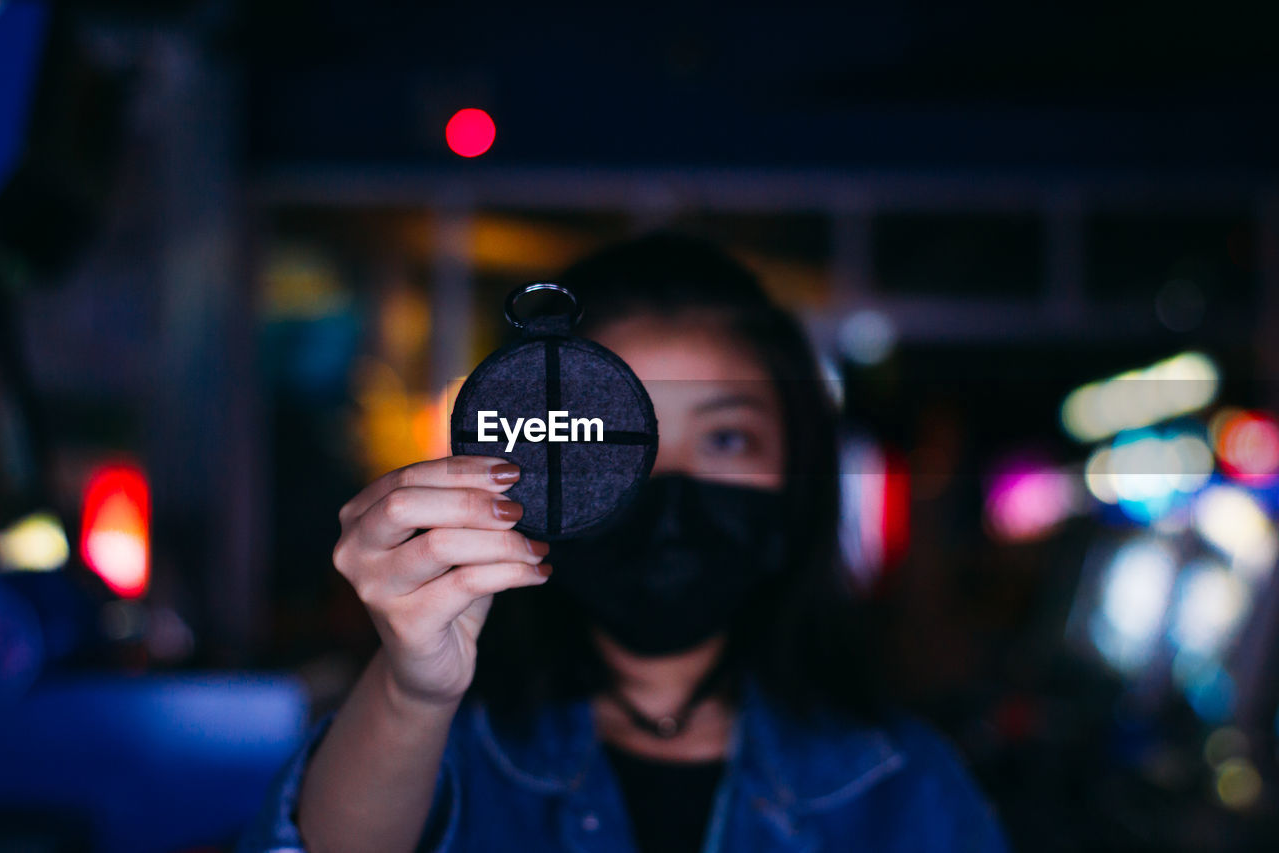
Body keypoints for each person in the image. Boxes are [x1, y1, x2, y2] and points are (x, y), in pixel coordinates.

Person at [239, 233, 1008, 853]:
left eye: (729, 436)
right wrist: (412, 689)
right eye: (610, 437)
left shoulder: (907, 787)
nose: (667, 485)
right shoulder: (436, 746)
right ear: (528, 465)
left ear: (796, 478)